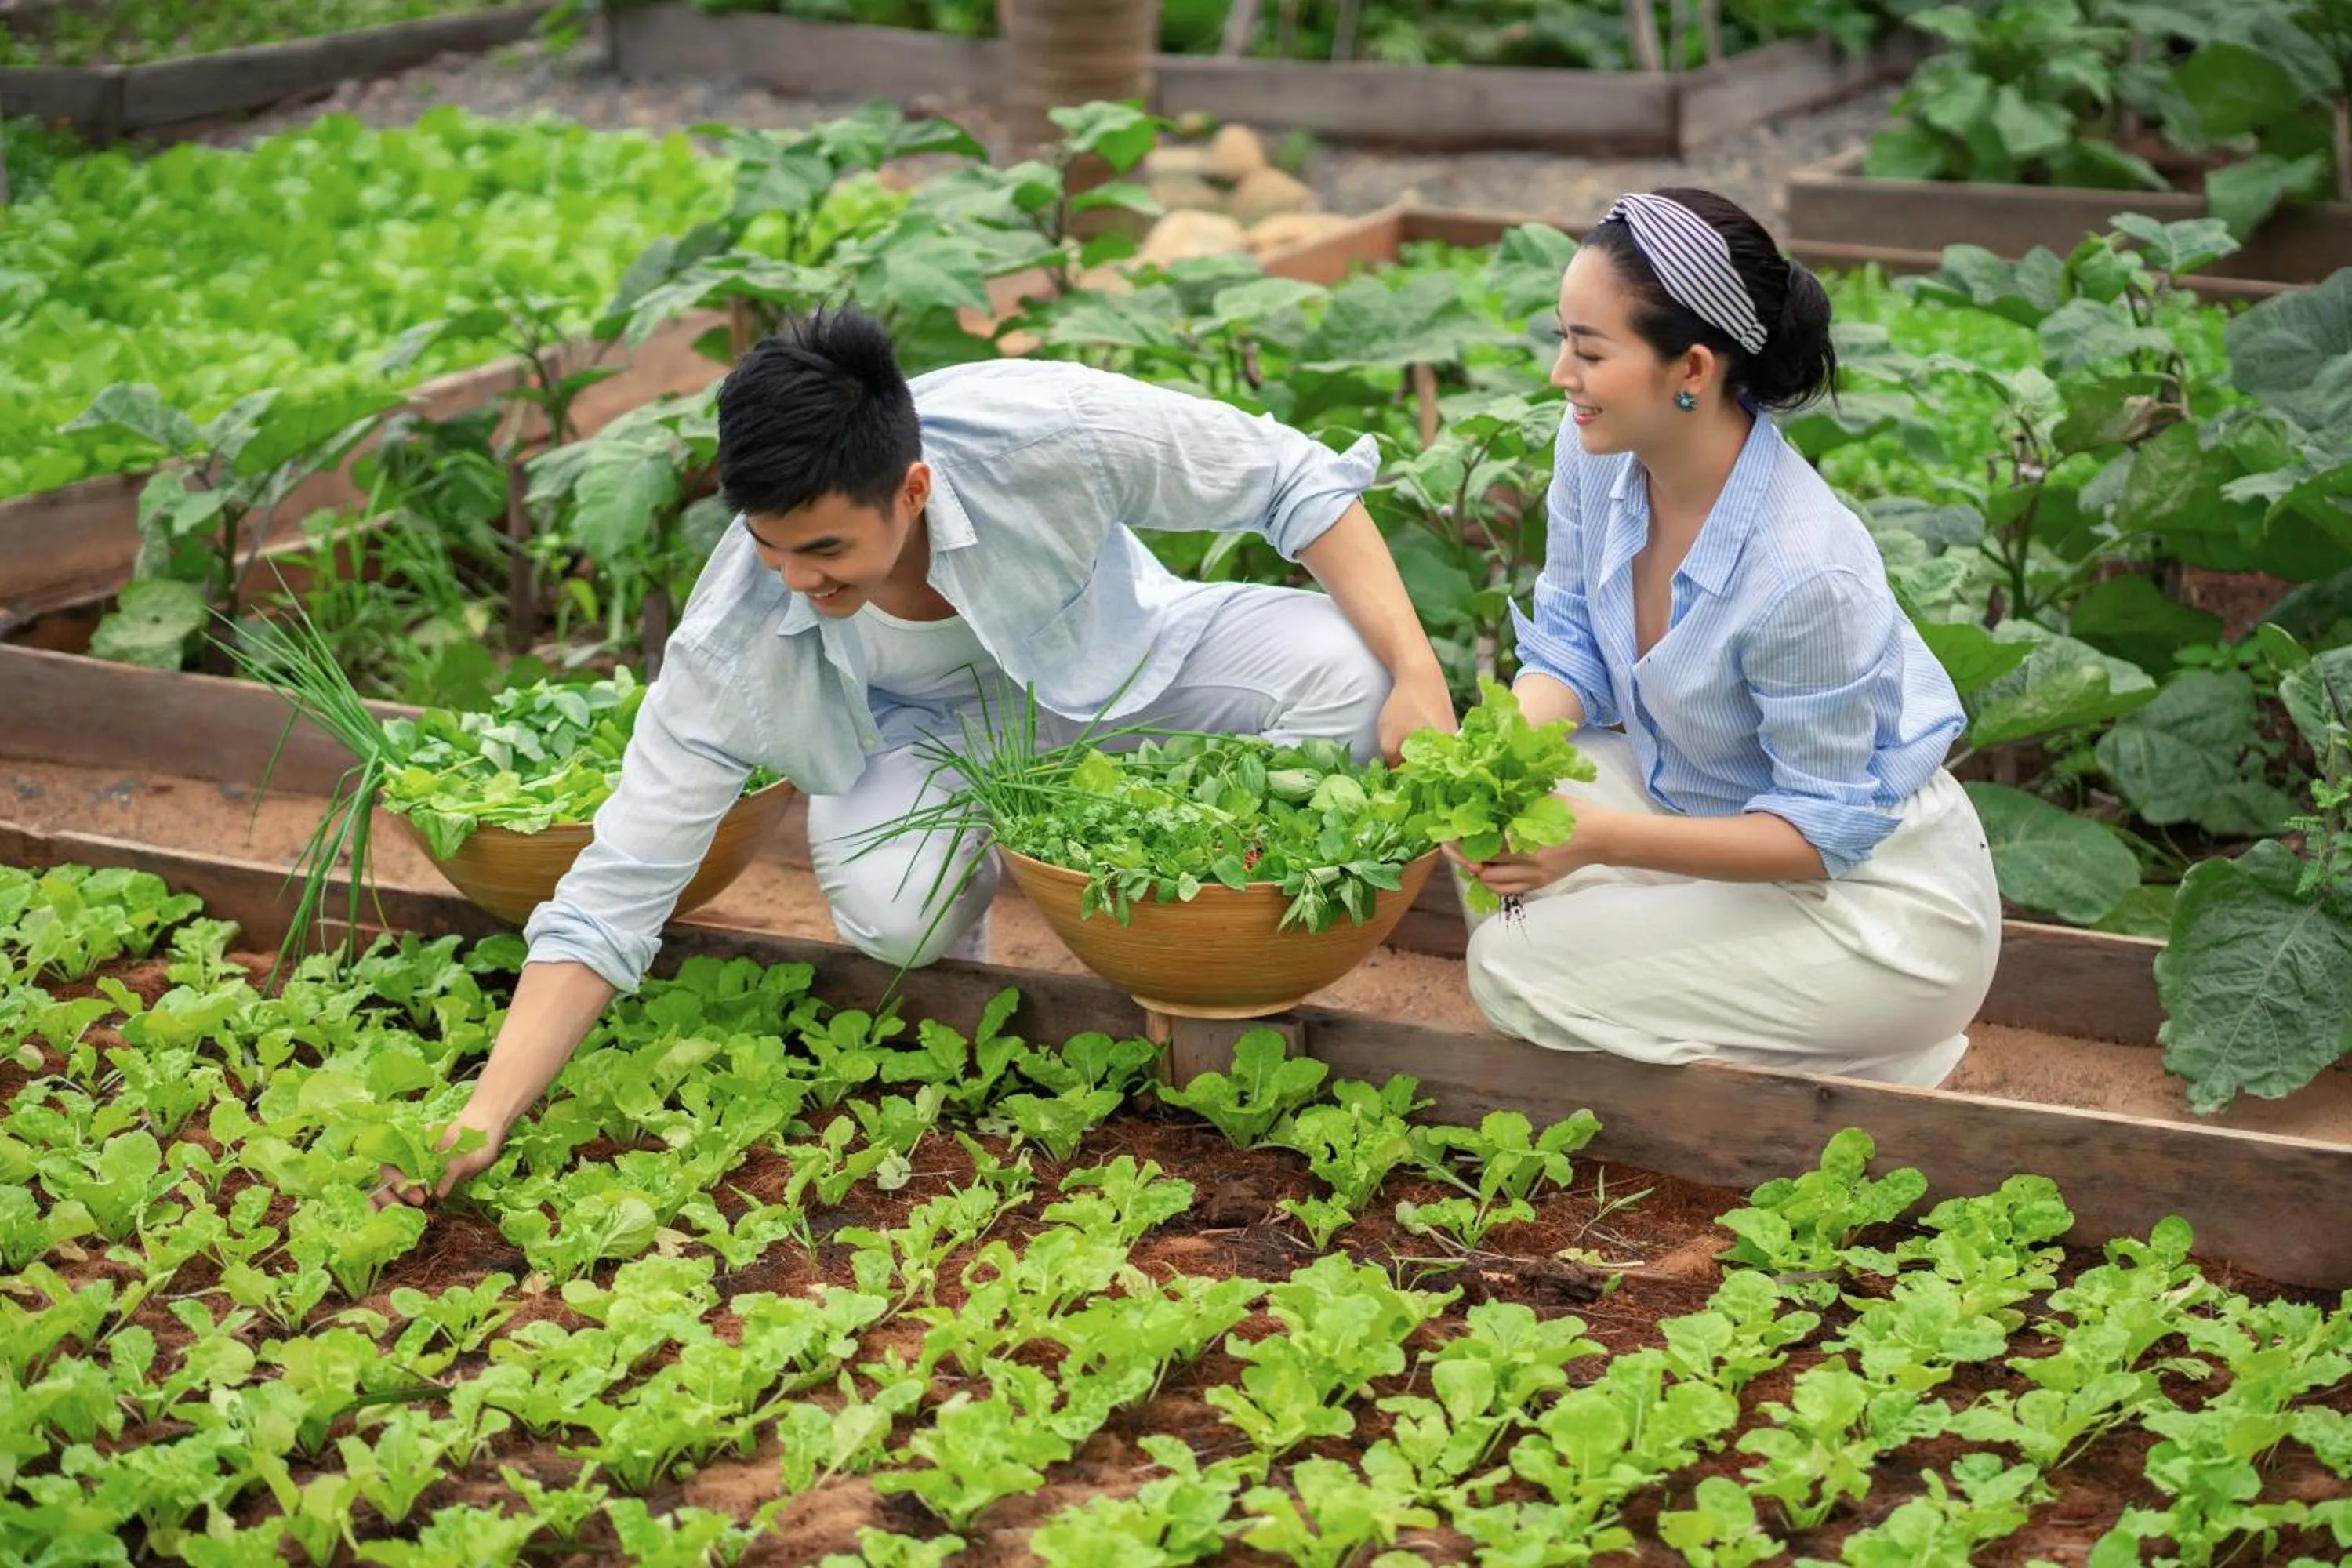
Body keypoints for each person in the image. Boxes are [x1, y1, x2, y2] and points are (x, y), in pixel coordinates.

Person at [376, 305, 1456, 1207]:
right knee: (895, 917)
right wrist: (483, 1116)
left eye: (826, 548)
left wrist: (1419, 670)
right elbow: (615, 891)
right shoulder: (735, 634)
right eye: (769, 546)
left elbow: (1293, 479)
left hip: (1128, 667)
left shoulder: (1047, 430)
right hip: (931, 738)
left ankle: (1223, 950)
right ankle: (995, 998)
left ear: (913, 489)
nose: (799, 579)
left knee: (1351, 676)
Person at [1453, 188, 2001, 1087]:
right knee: (1511, 825)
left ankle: (1879, 1047)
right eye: (1563, 340)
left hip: (1872, 907)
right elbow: (1570, 646)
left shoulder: (1804, 571)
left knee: (1510, 964)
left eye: (1589, 350)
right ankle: (1741, 1006)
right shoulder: (1596, 451)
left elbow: (1820, 832)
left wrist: (1598, 840)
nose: (1561, 374)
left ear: (1693, 368)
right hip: (1710, 817)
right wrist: (1492, 765)